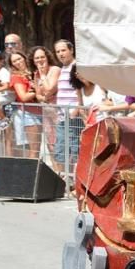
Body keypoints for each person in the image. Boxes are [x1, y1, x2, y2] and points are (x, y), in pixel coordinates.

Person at [8, 50, 43, 157]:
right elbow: (23, 97)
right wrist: (38, 90)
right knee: (34, 148)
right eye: (14, 61)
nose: (18, 62)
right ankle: (32, 173)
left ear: (24, 58)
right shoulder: (16, 77)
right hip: (29, 113)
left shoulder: (34, 72)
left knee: (43, 147)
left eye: (19, 58)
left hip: (42, 111)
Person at [52, 39, 80, 172]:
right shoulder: (63, 68)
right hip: (62, 117)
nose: (60, 54)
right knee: (61, 150)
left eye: (63, 50)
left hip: (74, 117)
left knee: (76, 150)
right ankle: (66, 180)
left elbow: (81, 90)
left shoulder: (76, 67)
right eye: (58, 51)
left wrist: (77, 108)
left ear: (71, 50)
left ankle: (75, 183)